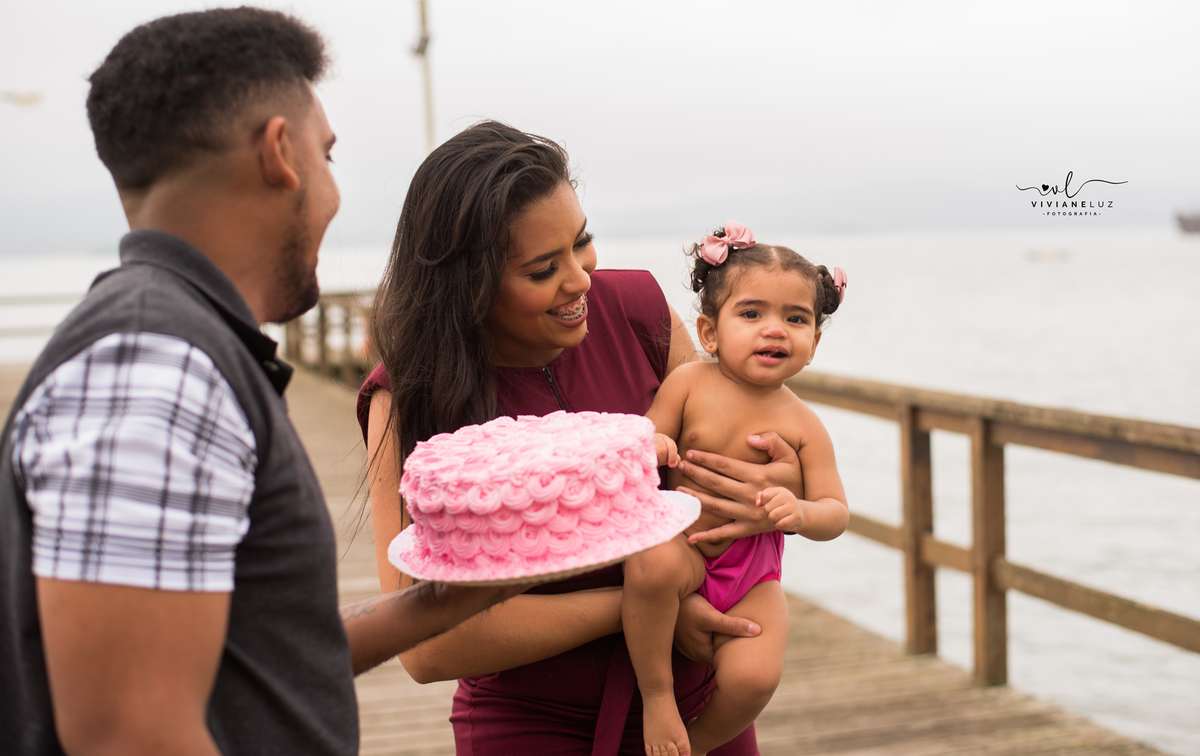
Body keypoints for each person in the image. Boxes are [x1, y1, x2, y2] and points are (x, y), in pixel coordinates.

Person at [0, 10, 519, 756]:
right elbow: (130, 733)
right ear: (281, 152)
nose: (335, 193)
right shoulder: (156, 364)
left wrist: (452, 597)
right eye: (328, 154)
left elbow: (238, 661)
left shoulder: (173, 345)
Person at [357, 122, 812, 755]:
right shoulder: (409, 393)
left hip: (695, 715)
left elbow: (726, 471)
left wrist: (779, 481)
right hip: (532, 726)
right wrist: (650, 605)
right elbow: (427, 646)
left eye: (583, 242)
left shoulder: (639, 309)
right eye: (544, 269)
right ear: (470, 284)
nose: (580, 280)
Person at [624, 223, 850, 756]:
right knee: (650, 568)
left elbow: (835, 511)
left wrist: (798, 510)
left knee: (755, 676)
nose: (774, 330)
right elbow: (649, 432)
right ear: (709, 332)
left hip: (752, 569)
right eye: (751, 314)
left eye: (795, 319)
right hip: (684, 547)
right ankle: (658, 699)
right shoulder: (688, 384)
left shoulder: (804, 424)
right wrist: (656, 442)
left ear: (813, 342)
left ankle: (697, 744)